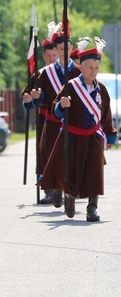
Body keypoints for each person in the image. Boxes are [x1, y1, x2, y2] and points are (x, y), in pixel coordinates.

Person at [38, 38, 117, 221]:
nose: (93, 72)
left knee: (94, 172)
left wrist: (110, 135)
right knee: (71, 171)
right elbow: (55, 108)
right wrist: (61, 106)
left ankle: (92, 207)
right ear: (81, 67)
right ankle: (69, 196)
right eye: (90, 68)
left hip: (93, 137)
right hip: (72, 137)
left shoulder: (101, 89)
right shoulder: (71, 86)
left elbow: (106, 114)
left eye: (97, 68)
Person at [23, 25, 81, 208]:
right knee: (48, 156)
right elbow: (31, 101)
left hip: (72, 124)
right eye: (60, 50)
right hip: (51, 122)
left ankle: (69, 191)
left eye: (66, 49)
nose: (62, 53)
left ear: (71, 50)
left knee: (72, 157)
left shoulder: (78, 72)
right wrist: (32, 99)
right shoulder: (43, 74)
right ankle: (52, 189)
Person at [21, 32, 60, 204]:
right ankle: (49, 190)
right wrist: (29, 99)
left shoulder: (66, 73)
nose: (51, 58)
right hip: (45, 121)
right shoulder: (39, 75)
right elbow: (27, 97)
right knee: (43, 154)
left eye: (54, 55)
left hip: (64, 121)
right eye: (48, 56)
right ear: (43, 56)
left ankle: (65, 187)